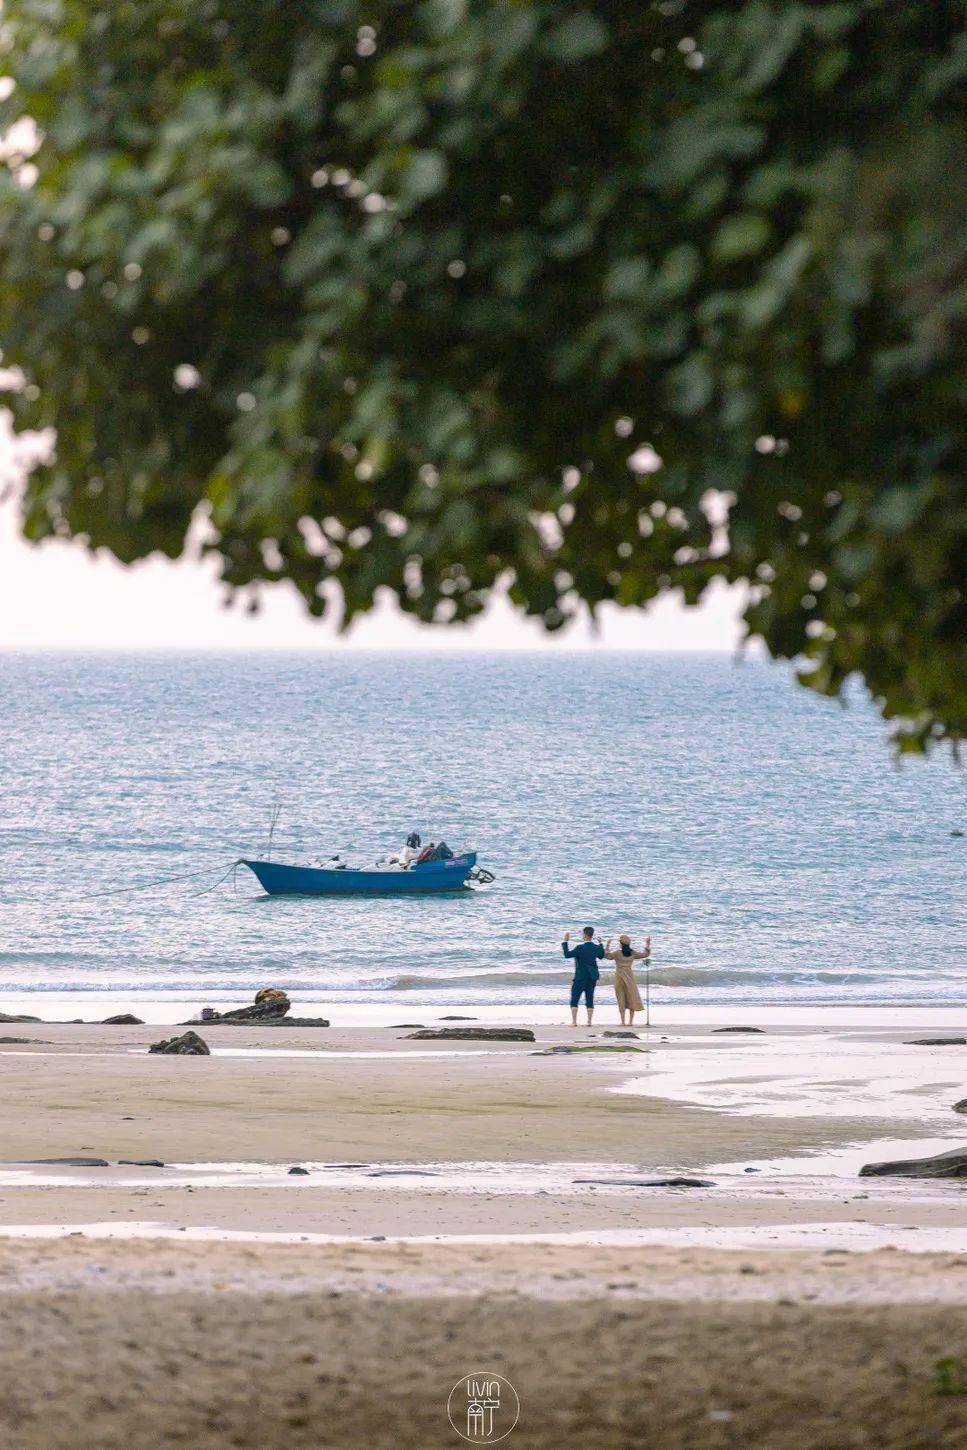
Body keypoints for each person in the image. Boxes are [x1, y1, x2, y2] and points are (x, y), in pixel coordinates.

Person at [562, 926, 605, 1026]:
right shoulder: (595, 947)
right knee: (589, 998)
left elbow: (567, 954)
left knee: (574, 998)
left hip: (580, 977)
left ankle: (574, 1022)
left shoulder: (580, 948)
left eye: (582, 934)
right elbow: (601, 956)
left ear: (585, 935)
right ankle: (589, 1022)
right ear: (591, 935)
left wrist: (565, 941)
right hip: (591, 977)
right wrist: (601, 943)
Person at [604, 935, 651, 1025]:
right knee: (631, 997)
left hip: (619, 977)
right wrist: (647, 944)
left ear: (621, 944)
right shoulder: (633, 953)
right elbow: (645, 954)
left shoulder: (617, 953)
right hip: (630, 977)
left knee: (620, 998)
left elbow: (608, 956)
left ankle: (623, 1022)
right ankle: (630, 1022)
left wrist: (607, 945)